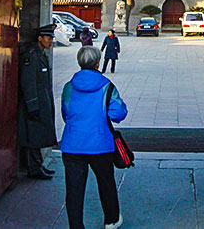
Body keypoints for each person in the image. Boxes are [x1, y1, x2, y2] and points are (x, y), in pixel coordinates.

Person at [61, 46, 127, 229]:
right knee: (106, 183)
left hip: (72, 145)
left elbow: (66, 113)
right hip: (100, 144)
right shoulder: (107, 86)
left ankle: (76, 226)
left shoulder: (69, 87)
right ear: (98, 63)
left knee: (74, 189)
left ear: (79, 62)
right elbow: (118, 114)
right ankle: (111, 220)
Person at [18, 23, 57, 180]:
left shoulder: (41, 54)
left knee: (39, 135)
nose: (50, 41)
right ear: (40, 38)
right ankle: (33, 168)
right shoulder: (31, 55)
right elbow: (28, 83)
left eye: (51, 38)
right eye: (48, 38)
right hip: (33, 103)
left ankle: (38, 164)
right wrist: (32, 105)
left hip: (42, 101)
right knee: (32, 136)